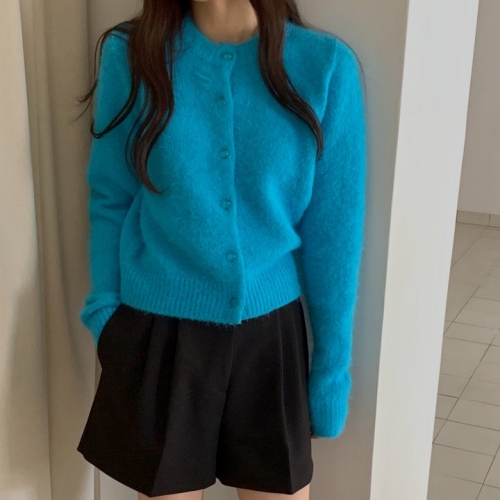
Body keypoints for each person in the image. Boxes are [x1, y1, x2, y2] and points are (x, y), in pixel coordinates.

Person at [76, 0, 367, 498]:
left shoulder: (324, 67)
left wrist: (330, 375)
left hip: (271, 343)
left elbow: (335, 238)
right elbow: (111, 197)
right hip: (159, 334)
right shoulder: (132, 55)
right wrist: (106, 316)